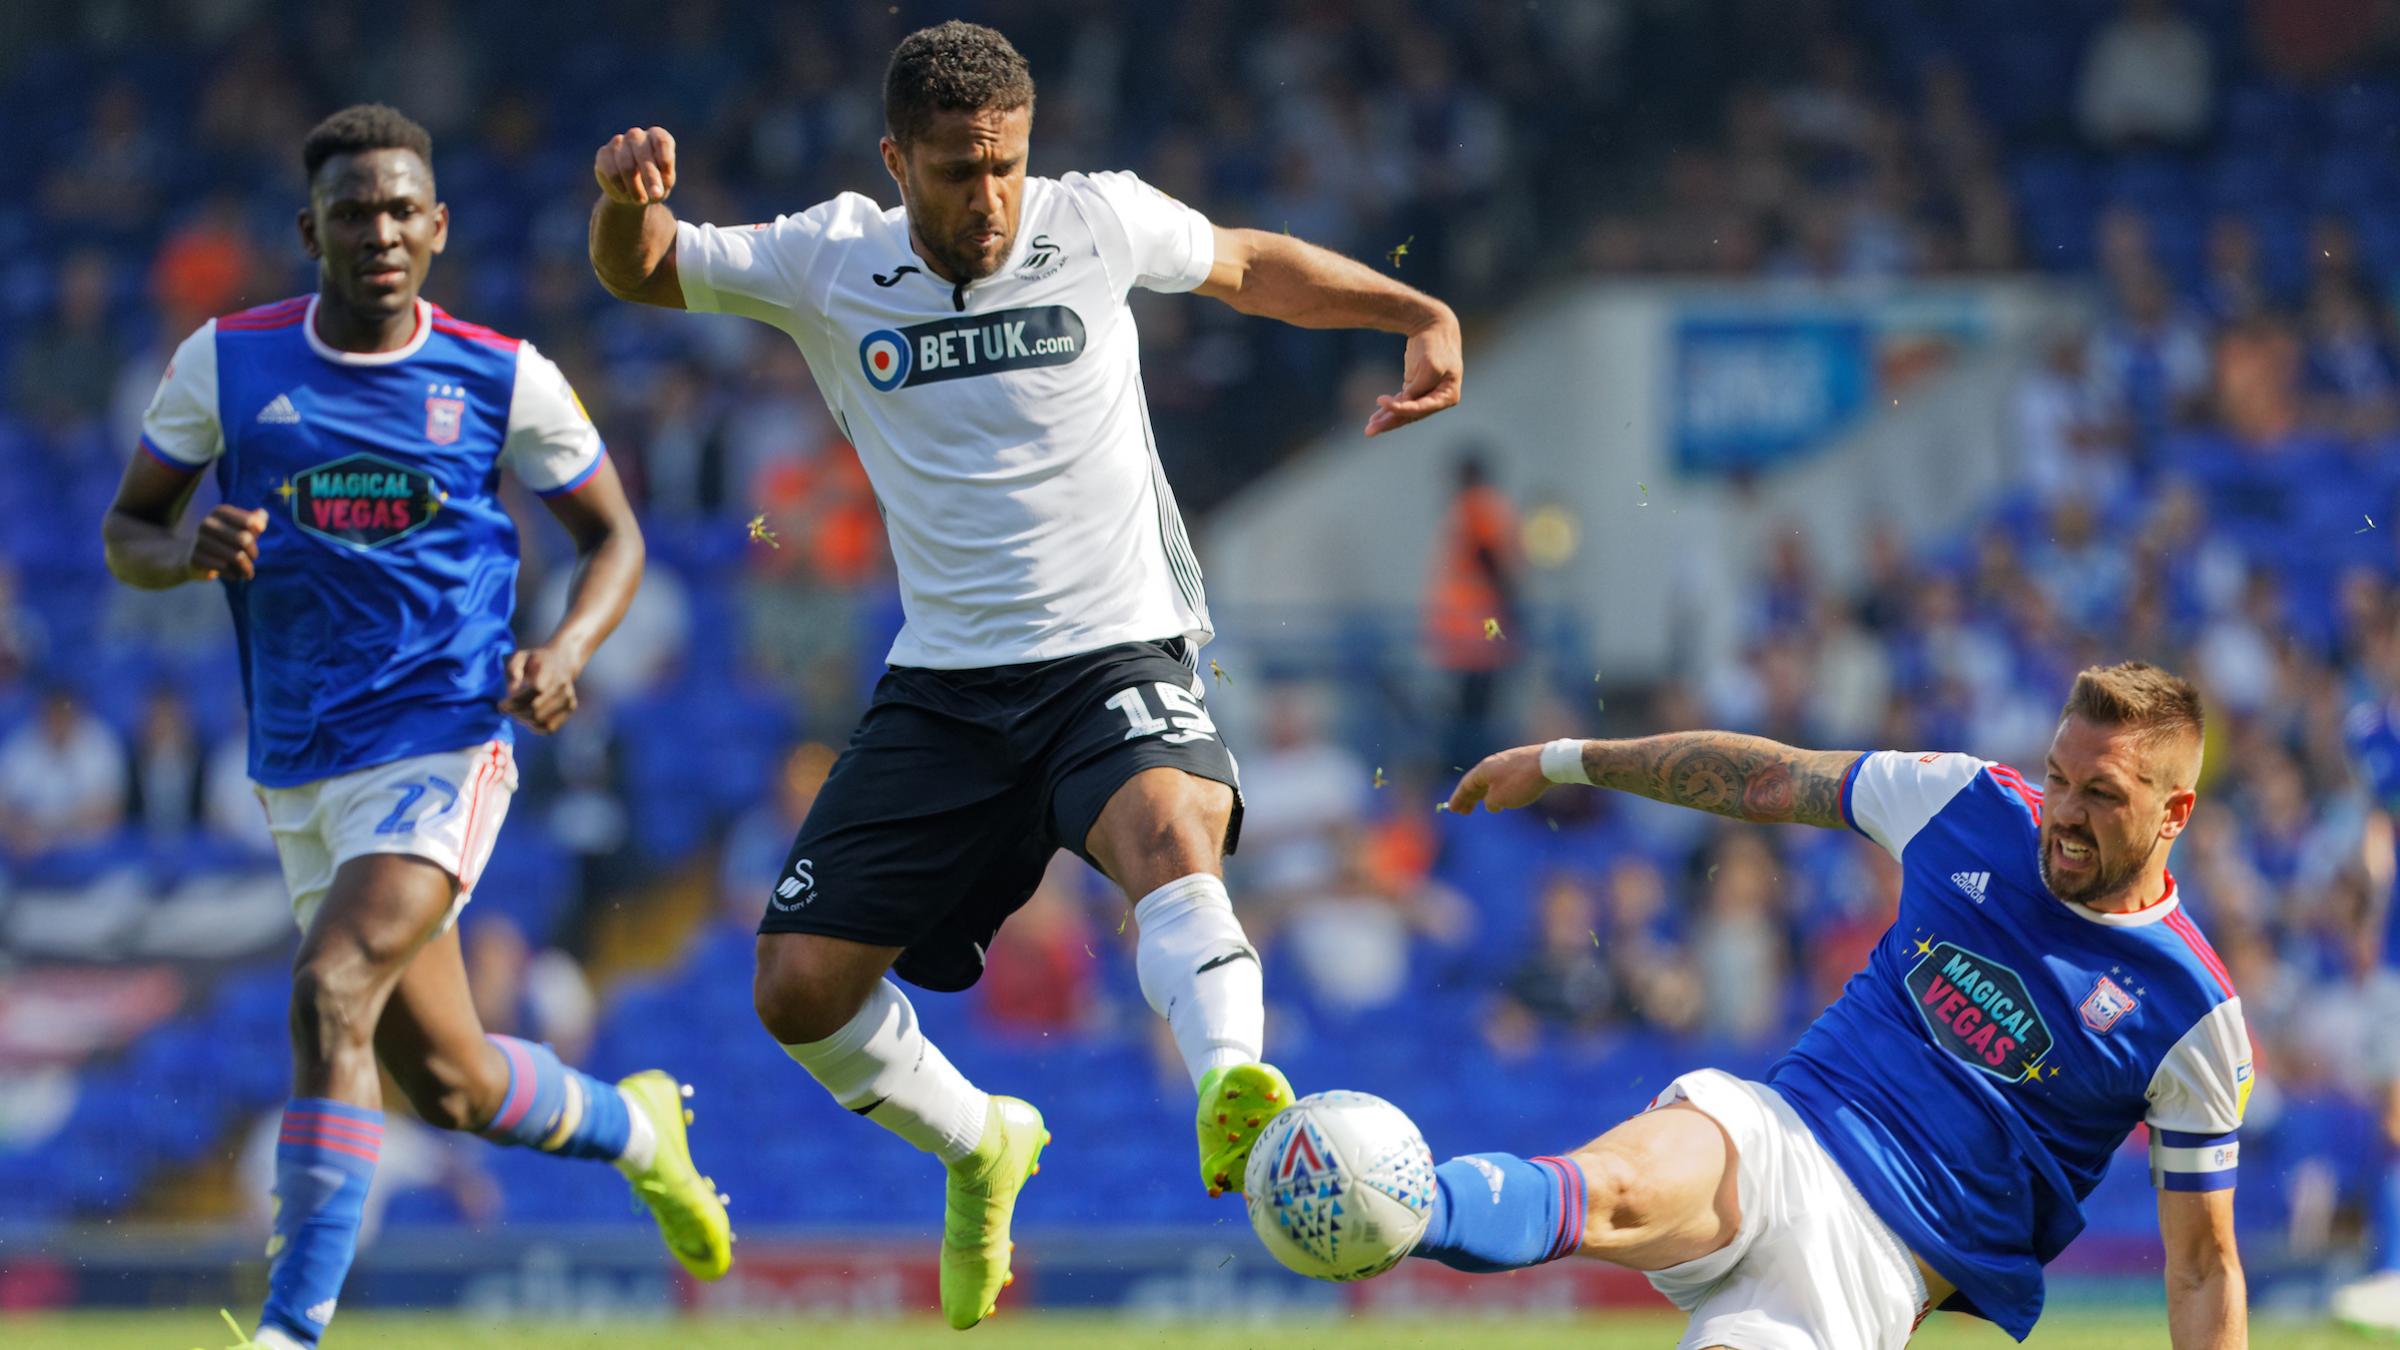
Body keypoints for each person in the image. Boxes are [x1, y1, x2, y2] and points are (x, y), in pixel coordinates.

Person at [587, 20, 1463, 1329]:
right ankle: (978, 1140)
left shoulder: (1097, 220)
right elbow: (647, 274)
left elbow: (1248, 264)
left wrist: (1415, 309)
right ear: (897, 161)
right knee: (797, 988)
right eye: (954, 171)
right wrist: (623, 205)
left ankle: (1235, 1086)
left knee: (1173, 828)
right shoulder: (831, 258)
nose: (987, 197)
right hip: (945, 684)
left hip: (1117, 645)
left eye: (1003, 163)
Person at [99, 105, 727, 1350]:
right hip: (299, 766)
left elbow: (615, 536)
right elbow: (129, 531)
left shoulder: (504, 377)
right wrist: (183, 553)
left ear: (436, 228)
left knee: (330, 986)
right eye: (351, 214)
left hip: (445, 741)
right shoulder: (224, 365)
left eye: (400, 212)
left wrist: (566, 649)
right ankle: (636, 1126)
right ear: (310, 231)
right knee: (451, 1084)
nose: (378, 233)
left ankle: (290, 1330)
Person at [1418, 662, 2249, 1348]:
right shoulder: (1964, 804)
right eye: (2058, 777)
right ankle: (1388, 1203)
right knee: (1614, 1183)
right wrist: (1568, 759)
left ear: (2176, 811)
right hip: (1781, 1131)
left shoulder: (2193, 1013)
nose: (2063, 813)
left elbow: (2203, 1266)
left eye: (2101, 795)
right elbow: (1772, 777)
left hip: (1865, 1267)